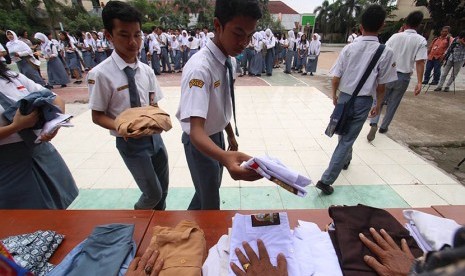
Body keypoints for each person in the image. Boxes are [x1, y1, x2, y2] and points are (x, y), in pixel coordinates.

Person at [176, 0, 262, 210]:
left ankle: (191, 224)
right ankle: (202, 238)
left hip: (217, 136)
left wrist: (229, 134)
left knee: (208, 190)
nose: (244, 42)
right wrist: (224, 157)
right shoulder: (200, 69)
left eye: (250, 35)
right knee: (211, 201)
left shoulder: (229, 60)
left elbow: (219, 102)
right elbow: (196, 131)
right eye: (238, 33)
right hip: (200, 143)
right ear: (217, 25)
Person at [88, 0, 169, 210]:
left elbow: (154, 104)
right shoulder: (101, 74)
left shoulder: (146, 71)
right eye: (124, 35)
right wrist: (123, 126)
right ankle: (138, 220)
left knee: (163, 191)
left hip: (155, 139)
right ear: (109, 35)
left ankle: (157, 229)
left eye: (137, 35)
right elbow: (97, 116)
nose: (133, 42)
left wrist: (159, 119)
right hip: (130, 143)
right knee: (152, 194)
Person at [316, 4, 397, 195]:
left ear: (361, 26)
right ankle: (326, 180)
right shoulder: (385, 52)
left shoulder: (349, 48)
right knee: (347, 138)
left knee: (344, 132)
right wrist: (378, 104)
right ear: (382, 25)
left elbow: (336, 77)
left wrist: (335, 96)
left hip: (345, 97)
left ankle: (345, 160)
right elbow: (381, 85)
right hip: (363, 101)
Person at [0, 61, 78, 209]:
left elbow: (55, 98)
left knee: (57, 205)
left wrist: (54, 124)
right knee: (23, 216)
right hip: (8, 163)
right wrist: (16, 126)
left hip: (40, 152)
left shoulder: (12, 77)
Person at [367, 10, 427, 141]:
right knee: (394, 103)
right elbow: (420, 62)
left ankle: (374, 122)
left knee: (380, 100)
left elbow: (383, 53)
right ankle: (384, 126)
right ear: (419, 25)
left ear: (406, 23)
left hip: (388, 73)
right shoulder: (420, 40)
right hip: (403, 76)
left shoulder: (395, 37)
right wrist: (419, 82)